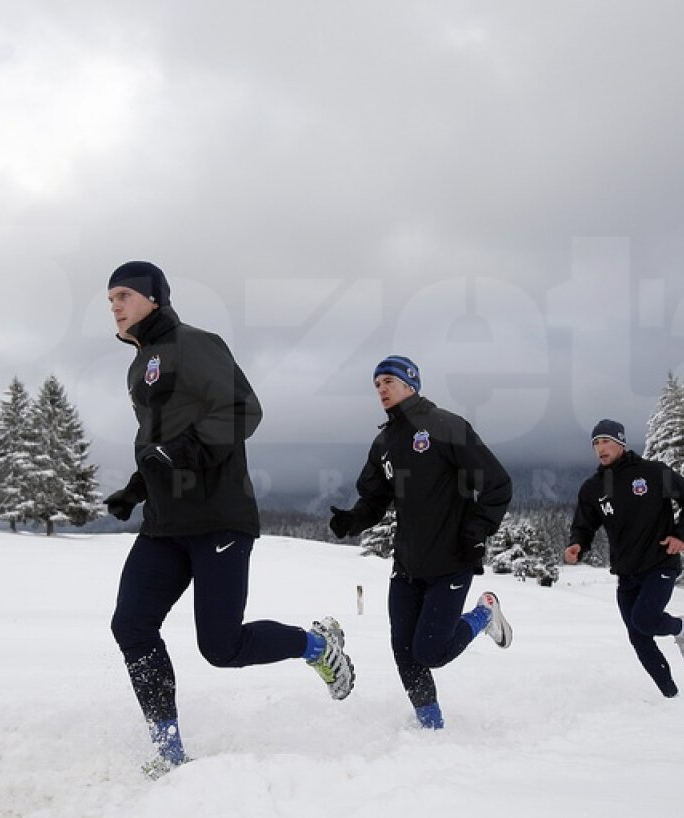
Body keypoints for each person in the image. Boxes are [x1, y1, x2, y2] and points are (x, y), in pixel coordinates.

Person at [103, 260, 354, 776]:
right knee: (131, 624)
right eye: (110, 300)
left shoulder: (196, 343)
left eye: (124, 295)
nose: (116, 306)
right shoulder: (138, 364)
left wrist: (183, 453)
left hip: (218, 516)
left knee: (222, 647)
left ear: (154, 297)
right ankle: (168, 751)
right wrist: (136, 488)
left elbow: (242, 410)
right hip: (164, 524)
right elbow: (159, 443)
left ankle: (317, 646)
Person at [328, 355, 513, 729]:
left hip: (452, 559)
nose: (380, 388)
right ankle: (432, 725)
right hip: (408, 565)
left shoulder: (445, 426)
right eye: (376, 383)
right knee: (404, 650)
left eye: (388, 381)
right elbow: (375, 499)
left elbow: (497, 483)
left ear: (411, 383)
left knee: (430, 651)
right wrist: (354, 519)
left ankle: (483, 615)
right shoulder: (384, 442)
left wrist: (476, 532)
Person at [564, 419, 684, 698]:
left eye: (605, 441)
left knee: (645, 620)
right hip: (626, 572)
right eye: (595, 443)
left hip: (660, 563)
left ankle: (680, 626)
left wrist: (682, 536)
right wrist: (577, 544)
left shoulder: (653, 473)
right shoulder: (593, 488)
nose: (600, 448)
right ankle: (672, 696)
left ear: (621, 443)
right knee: (639, 638)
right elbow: (584, 524)